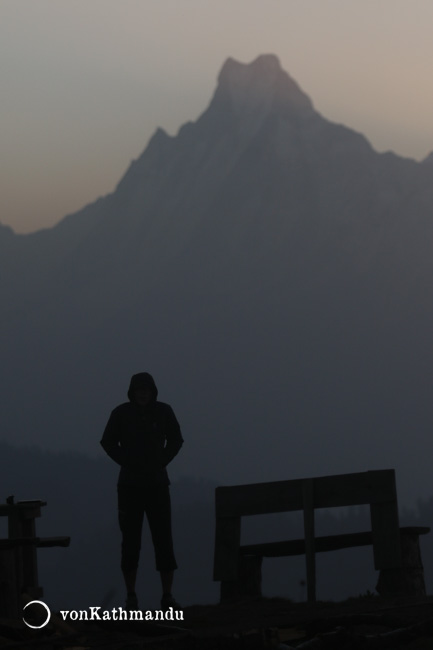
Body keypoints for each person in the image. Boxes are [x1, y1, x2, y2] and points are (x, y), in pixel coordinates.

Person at [100, 372, 184, 611]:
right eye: (139, 389)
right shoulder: (121, 414)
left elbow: (177, 439)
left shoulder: (164, 412)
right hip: (129, 487)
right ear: (132, 392)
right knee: (130, 542)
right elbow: (107, 441)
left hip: (157, 485)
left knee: (163, 540)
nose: (143, 393)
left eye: (146, 389)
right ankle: (131, 596)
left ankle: (167, 596)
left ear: (153, 390)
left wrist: (161, 461)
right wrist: (126, 461)